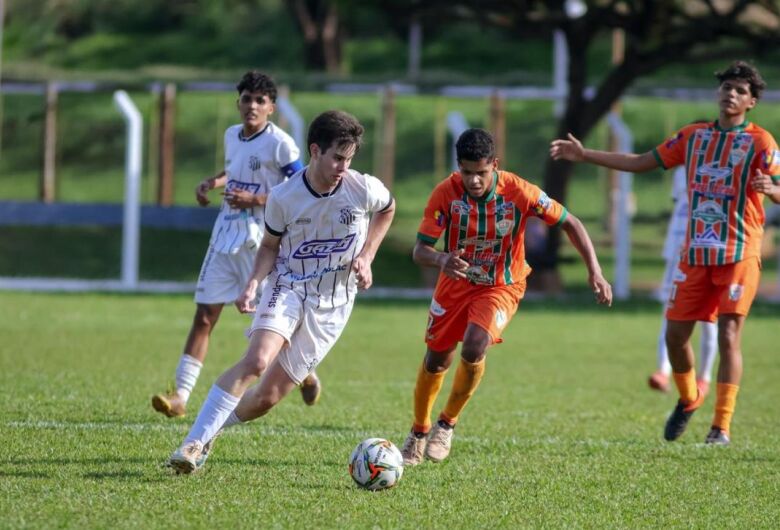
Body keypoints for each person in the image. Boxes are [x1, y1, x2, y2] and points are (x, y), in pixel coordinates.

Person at [551, 60, 780, 446]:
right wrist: (586, 154)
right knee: (675, 336)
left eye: (741, 90)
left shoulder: (762, 143)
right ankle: (690, 399)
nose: (731, 94)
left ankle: (720, 427)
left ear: (752, 102)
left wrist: (772, 189)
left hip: (739, 252)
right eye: (727, 87)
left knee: (729, 335)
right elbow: (642, 161)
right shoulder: (692, 137)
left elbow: (778, 187)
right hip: (695, 254)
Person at [166, 110, 396, 474]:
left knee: (266, 399)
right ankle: (192, 443)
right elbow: (269, 246)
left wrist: (367, 256)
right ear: (315, 151)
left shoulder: (362, 188)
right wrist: (252, 284)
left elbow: (388, 208)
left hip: (333, 304)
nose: (343, 167)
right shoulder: (284, 196)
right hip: (288, 286)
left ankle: (212, 432)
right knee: (257, 361)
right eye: (337, 158)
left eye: (349, 159)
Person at [401, 128, 613, 466]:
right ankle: (418, 431)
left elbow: (570, 222)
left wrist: (595, 271)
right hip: (455, 286)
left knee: (474, 346)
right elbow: (420, 250)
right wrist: (442, 259)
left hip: (501, 285)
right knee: (437, 360)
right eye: (466, 172)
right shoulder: (445, 193)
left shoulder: (519, 191)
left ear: (495, 165)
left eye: (481, 172)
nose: (473, 180)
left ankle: (446, 424)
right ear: (458, 167)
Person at [151, 71, 321, 419]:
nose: (252, 106)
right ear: (238, 102)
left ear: (271, 107)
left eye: (260, 100)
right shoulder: (232, 135)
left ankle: (304, 370)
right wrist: (213, 182)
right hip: (224, 235)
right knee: (204, 315)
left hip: (261, 241)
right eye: (246, 99)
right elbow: (237, 170)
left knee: (269, 322)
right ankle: (180, 396)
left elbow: (302, 187)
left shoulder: (281, 143)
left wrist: (255, 199)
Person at [649, 165, 718, 396]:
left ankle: (704, 377)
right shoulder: (681, 170)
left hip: (707, 252)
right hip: (676, 251)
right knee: (668, 312)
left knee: (709, 319)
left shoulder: (720, 169)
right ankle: (663, 370)